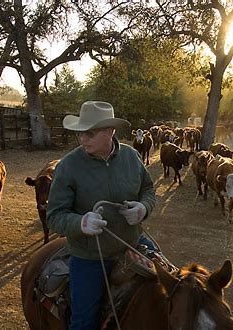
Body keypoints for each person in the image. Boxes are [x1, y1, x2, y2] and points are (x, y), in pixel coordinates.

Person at [47, 101, 156, 329]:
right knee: (83, 323)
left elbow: (148, 189)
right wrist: (81, 222)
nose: (82, 139)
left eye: (89, 133)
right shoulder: (68, 166)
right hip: (89, 257)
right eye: (80, 133)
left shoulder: (131, 156)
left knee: (174, 292)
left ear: (110, 132)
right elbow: (55, 216)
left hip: (134, 243)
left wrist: (143, 208)